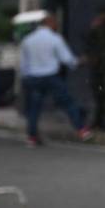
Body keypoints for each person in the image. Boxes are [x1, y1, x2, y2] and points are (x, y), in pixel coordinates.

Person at [19, 13, 93, 146]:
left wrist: (25, 78)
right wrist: (79, 61)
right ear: (50, 23)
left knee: (34, 108)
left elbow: (23, 64)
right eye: (56, 24)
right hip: (50, 77)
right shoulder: (55, 38)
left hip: (33, 78)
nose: (57, 26)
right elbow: (67, 59)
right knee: (68, 103)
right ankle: (82, 130)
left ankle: (31, 137)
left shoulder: (28, 40)